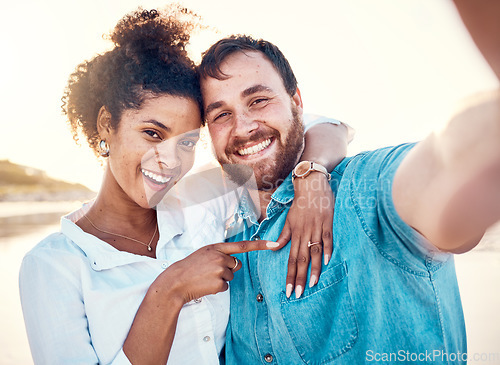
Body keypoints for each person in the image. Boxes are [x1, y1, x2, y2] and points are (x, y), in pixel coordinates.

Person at [18, 6, 350, 365]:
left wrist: (312, 177)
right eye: (152, 133)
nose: (169, 160)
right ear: (105, 125)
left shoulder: (199, 200)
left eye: (188, 143)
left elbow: (314, 126)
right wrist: (170, 291)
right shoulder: (54, 266)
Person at [197, 2, 500, 363]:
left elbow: (448, 160)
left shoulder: (363, 190)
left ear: (297, 102)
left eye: (259, 100)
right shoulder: (219, 236)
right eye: (221, 115)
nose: (243, 127)